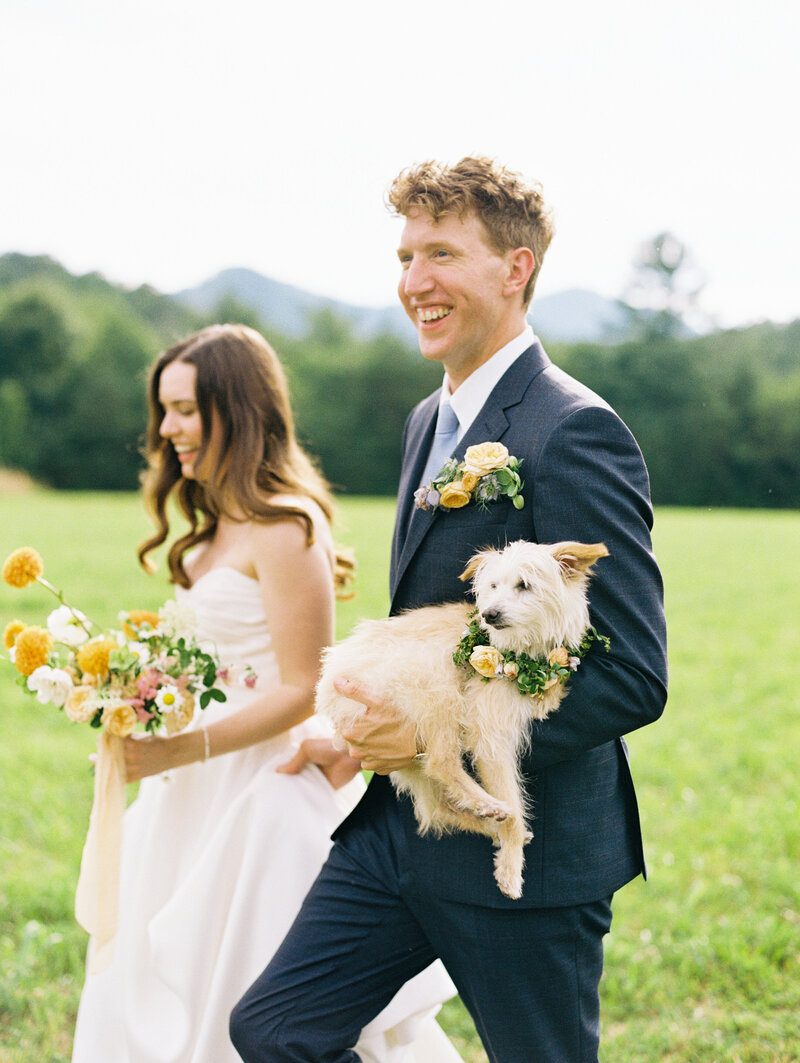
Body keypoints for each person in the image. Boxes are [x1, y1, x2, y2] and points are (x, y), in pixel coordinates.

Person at [230, 158, 669, 1063]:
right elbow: (438, 633)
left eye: (441, 253)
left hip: (523, 852)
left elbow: (631, 675)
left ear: (516, 269)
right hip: (396, 833)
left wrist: (445, 742)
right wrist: (366, 736)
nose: (413, 282)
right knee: (274, 1031)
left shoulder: (574, 429)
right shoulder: (427, 422)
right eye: (404, 256)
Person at [70, 324, 462, 1063]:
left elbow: (301, 686)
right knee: (153, 975)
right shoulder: (212, 523)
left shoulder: (287, 525)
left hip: (257, 792)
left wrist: (184, 744)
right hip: (185, 789)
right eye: (164, 410)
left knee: (248, 990)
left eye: (185, 408)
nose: (168, 428)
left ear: (237, 407)